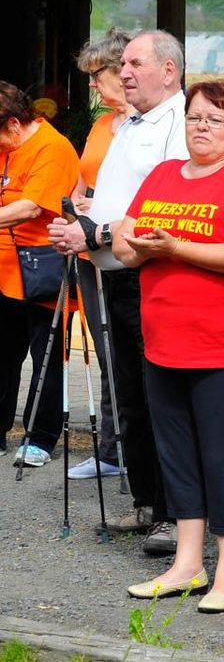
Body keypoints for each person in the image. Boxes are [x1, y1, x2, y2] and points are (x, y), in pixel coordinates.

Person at [113, 80, 224, 613]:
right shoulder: (163, 175)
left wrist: (174, 246)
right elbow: (123, 241)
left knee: (222, 457)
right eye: (194, 117)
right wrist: (138, 244)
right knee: (177, 455)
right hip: (164, 341)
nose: (202, 127)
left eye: (216, 119)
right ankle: (187, 563)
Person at [49, 29, 188, 555]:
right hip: (111, 273)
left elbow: (166, 207)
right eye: (122, 65)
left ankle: (177, 514)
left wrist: (97, 233)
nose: (122, 73)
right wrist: (81, 222)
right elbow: (113, 196)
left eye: (133, 64)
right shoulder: (128, 123)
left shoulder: (179, 124)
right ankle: (150, 502)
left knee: (160, 398)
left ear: (168, 71)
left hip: (149, 276)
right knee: (127, 395)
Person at [0, 83, 80, 464]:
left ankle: (40, 437)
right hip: (5, 268)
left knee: (45, 356)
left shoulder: (52, 146)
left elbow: (31, 206)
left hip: (43, 263)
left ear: (14, 125)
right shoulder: (8, 145)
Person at [66, 28, 132, 480]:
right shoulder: (101, 123)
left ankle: (129, 448)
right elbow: (82, 179)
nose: (93, 85)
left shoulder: (147, 125)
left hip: (125, 250)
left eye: (97, 75)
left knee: (124, 353)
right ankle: (111, 449)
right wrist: (74, 213)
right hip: (89, 248)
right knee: (105, 352)